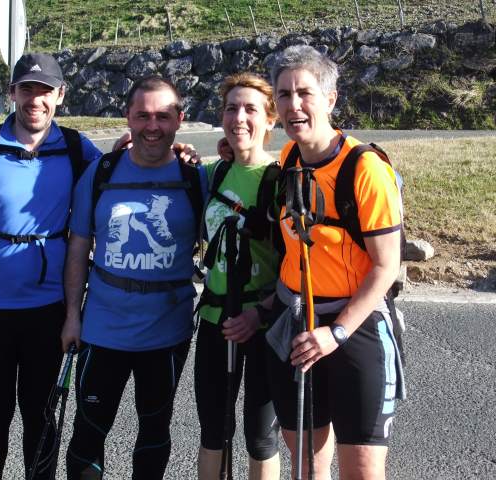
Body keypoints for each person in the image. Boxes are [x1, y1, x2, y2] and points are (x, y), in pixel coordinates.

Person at [0, 52, 102, 479]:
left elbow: (123, 174)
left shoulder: (77, 149)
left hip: (49, 308)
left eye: (45, 91)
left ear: (60, 95)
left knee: (40, 415)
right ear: (11, 93)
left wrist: (175, 154)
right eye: (27, 89)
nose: (35, 100)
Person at [253, 45, 404, 479]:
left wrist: (336, 333)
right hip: (296, 322)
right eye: (284, 94)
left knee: (362, 469)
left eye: (305, 92)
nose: (293, 105)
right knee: (307, 466)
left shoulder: (365, 168)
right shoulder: (289, 159)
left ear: (331, 99)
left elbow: (385, 267)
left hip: (354, 326)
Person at [62, 75, 207, 479]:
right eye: (142, 115)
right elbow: (78, 246)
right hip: (103, 328)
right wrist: (72, 315)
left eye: (163, 116)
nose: (152, 126)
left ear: (180, 119)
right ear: (127, 116)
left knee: (154, 434)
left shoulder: (196, 178)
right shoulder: (101, 172)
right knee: (88, 435)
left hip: (167, 331)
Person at [195, 73, 281, 479]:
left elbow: (298, 268)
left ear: (270, 119)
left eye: (251, 109)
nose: (239, 117)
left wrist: (258, 314)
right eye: (231, 108)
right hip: (215, 320)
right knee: (213, 432)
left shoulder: (280, 179)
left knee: (260, 437)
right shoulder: (214, 173)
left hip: (263, 326)